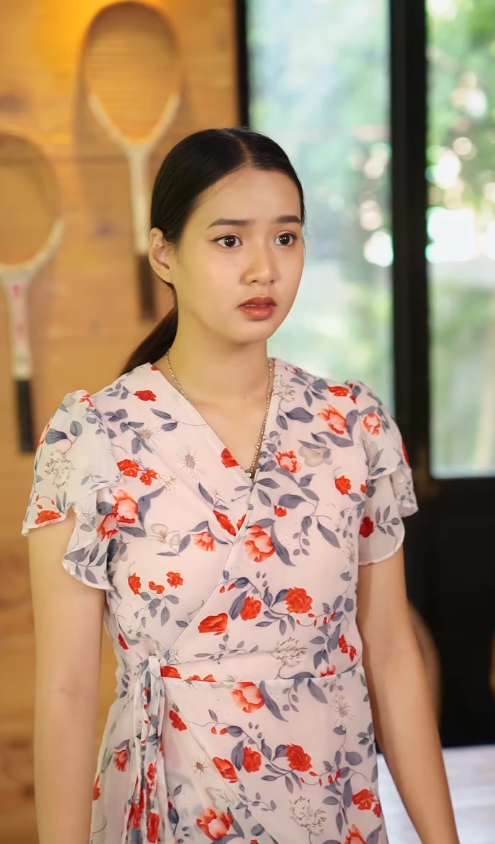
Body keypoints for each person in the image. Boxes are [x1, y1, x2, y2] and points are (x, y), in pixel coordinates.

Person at [23, 128, 460, 844]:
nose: (264, 268)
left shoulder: (351, 427)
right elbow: (67, 692)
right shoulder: (91, 440)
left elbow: (390, 653)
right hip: (170, 812)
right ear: (164, 253)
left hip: (331, 807)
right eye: (229, 240)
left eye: (285, 238)